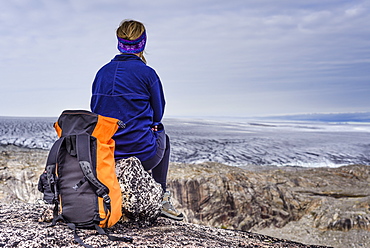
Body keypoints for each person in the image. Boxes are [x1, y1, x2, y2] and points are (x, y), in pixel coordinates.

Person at [90, 19, 183, 221]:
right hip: (144, 156)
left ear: (119, 43)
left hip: (107, 155)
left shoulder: (101, 73)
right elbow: (158, 116)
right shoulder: (148, 74)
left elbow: (95, 111)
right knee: (162, 135)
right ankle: (161, 196)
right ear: (143, 44)